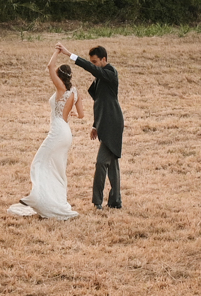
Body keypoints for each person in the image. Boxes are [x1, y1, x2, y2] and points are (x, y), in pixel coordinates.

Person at [8, 52, 81, 220]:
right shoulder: (75, 92)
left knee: (39, 162)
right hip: (66, 133)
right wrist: (73, 113)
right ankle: (54, 201)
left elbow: (50, 66)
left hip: (58, 131)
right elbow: (82, 114)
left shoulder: (61, 89)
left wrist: (57, 51)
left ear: (60, 77)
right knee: (57, 169)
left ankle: (37, 197)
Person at [56, 42, 123, 209]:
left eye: (95, 62)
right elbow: (100, 103)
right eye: (92, 62)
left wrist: (69, 54)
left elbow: (92, 69)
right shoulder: (101, 77)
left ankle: (98, 202)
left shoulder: (110, 73)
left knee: (101, 162)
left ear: (104, 59)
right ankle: (115, 201)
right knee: (112, 164)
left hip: (113, 123)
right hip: (105, 122)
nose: (93, 65)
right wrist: (95, 125)